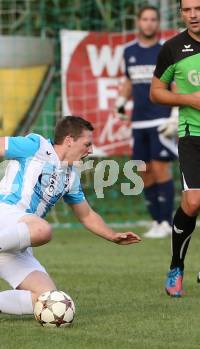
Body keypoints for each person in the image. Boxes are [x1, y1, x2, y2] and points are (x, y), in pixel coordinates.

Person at [0, 116, 141, 324]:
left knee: (47, 298)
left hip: (16, 241)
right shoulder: (36, 146)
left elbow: (87, 215)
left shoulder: (71, 175)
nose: (91, 150)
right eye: (87, 144)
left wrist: (113, 236)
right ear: (69, 140)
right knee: (43, 230)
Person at [150, 0, 200, 297]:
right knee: (193, 203)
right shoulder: (173, 48)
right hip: (193, 135)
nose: (193, 15)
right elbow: (156, 92)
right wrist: (190, 99)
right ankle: (176, 266)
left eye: (198, 8)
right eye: (187, 9)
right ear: (181, 12)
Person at [116, 5, 177, 239]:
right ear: (138, 22)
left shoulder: (167, 50)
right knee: (144, 171)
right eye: (145, 19)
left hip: (161, 120)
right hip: (138, 121)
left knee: (161, 168)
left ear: (158, 23)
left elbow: (175, 84)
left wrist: (174, 115)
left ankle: (167, 222)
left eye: (153, 19)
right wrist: (121, 101)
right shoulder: (129, 51)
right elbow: (129, 80)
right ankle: (156, 221)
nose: (149, 23)